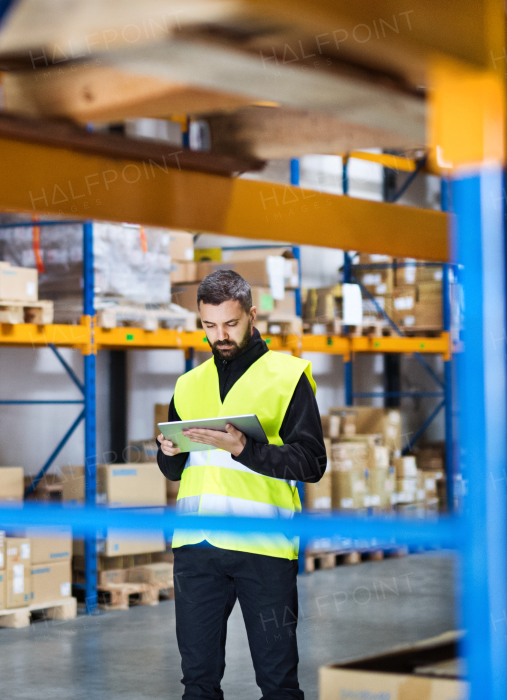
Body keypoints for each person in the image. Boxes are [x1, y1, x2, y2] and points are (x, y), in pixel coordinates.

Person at [157, 269, 327, 700]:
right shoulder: (188, 383)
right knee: (197, 681)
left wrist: (243, 448)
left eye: (230, 323)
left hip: (262, 547)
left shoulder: (288, 377)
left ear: (252, 315)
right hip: (196, 548)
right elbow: (174, 471)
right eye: (209, 325)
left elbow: (312, 462)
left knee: (277, 681)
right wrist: (167, 452)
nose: (221, 335)